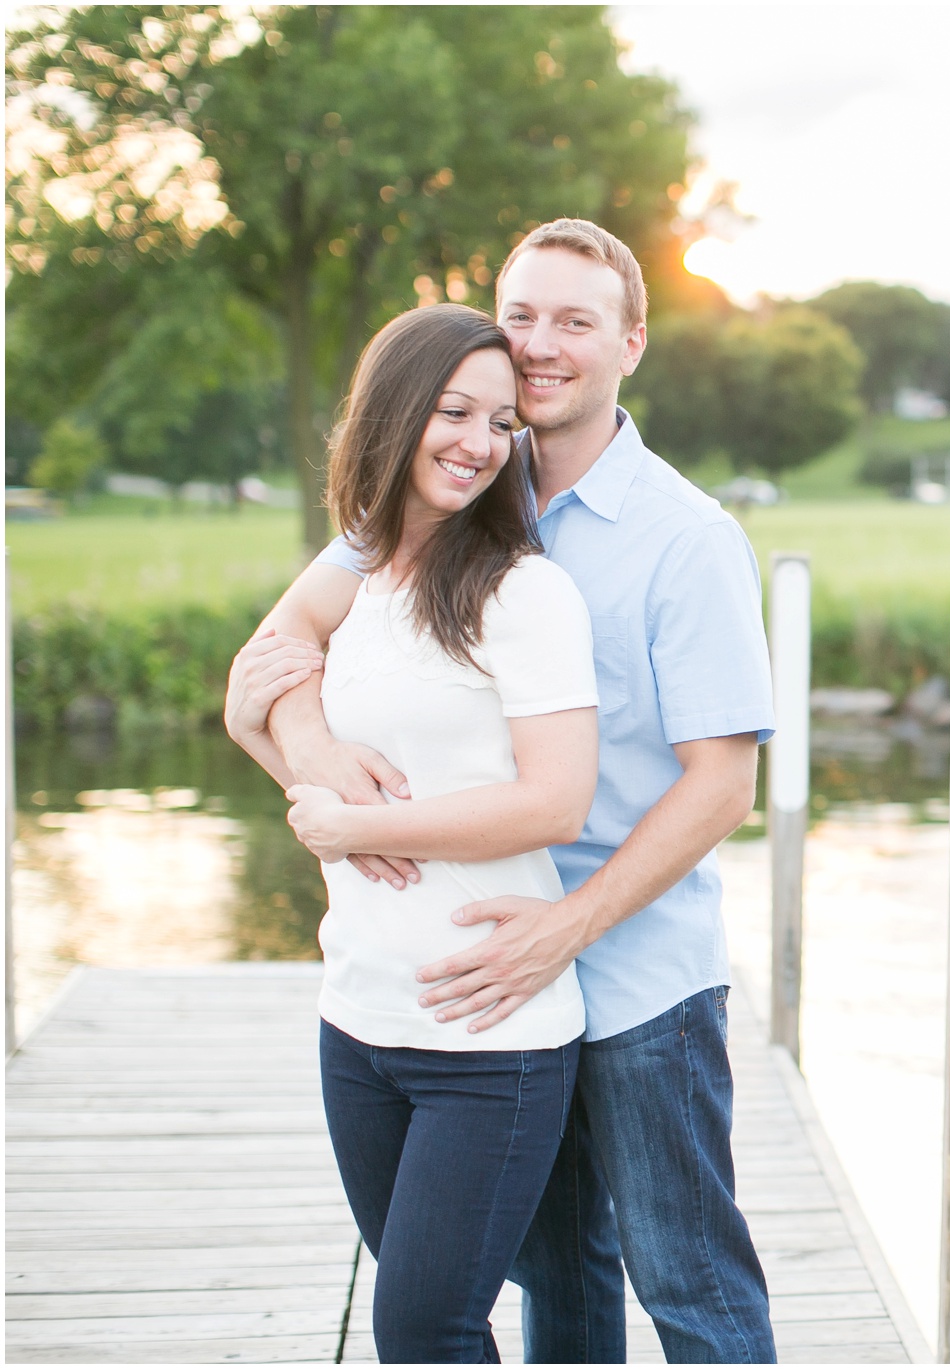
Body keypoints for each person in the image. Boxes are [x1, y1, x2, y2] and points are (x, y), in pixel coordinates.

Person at [229, 219, 778, 1363]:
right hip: (478, 982)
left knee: (688, 1280)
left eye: (575, 320)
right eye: (520, 314)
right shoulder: (453, 482)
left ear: (630, 342)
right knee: (557, 1279)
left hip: (633, 975)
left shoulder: (687, 541)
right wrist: (325, 768)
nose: (540, 344)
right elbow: (280, 643)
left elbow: (723, 785)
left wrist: (565, 927)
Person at [227, 303, 601, 1362]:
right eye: (453, 411)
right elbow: (253, 682)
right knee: (426, 1328)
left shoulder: (524, 592)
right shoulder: (357, 566)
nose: (480, 443)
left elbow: (555, 801)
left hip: (488, 1038)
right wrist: (317, 761)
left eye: (500, 422)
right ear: (392, 411)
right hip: (356, 1020)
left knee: (422, 1328)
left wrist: (357, 822)